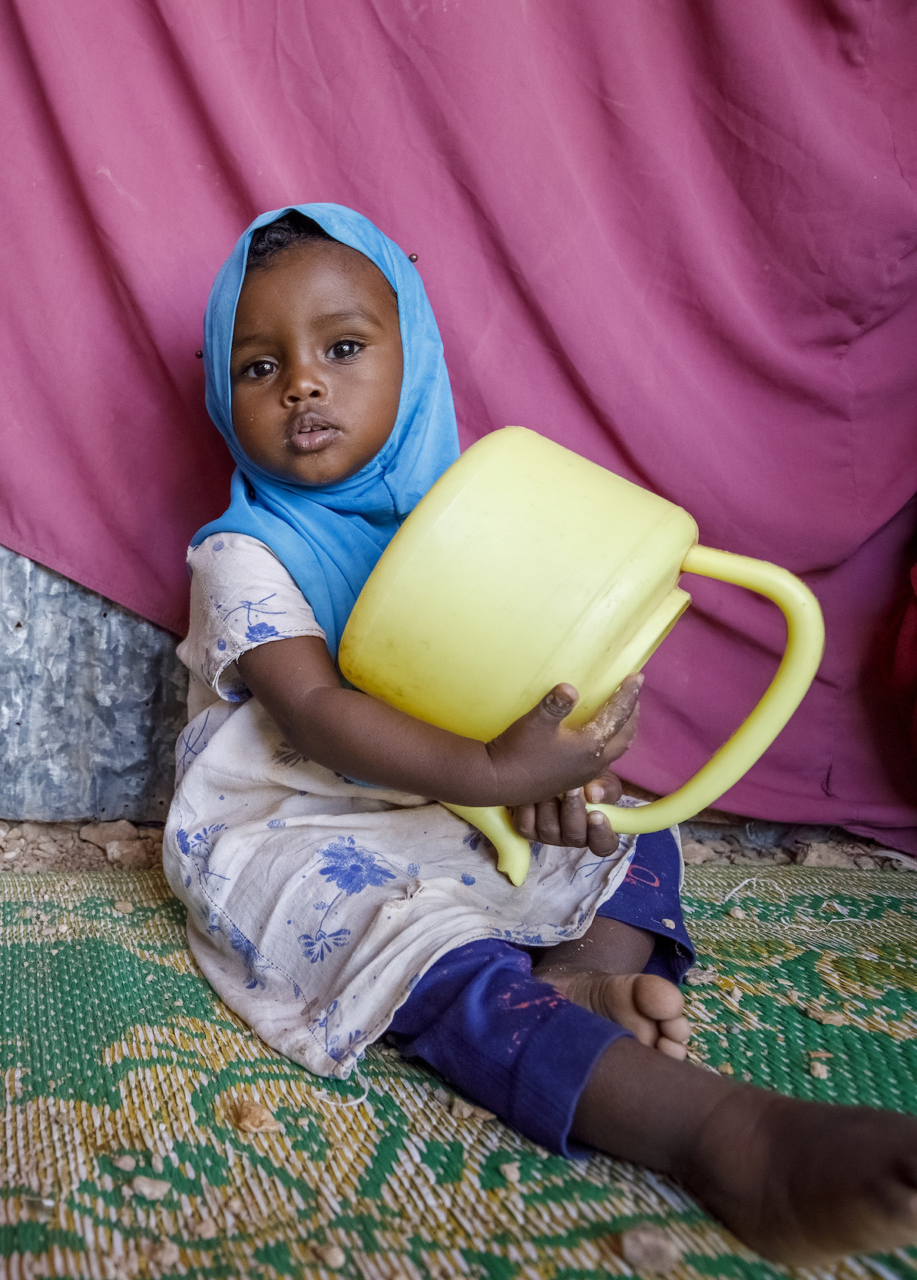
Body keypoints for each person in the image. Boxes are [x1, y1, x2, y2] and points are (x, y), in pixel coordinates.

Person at [168, 203, 917, 1266]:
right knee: (423, 953)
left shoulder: (478, 516)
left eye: (342, 348)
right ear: (222, 395)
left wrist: (566, 755)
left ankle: (583, 974)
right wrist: (489, 768)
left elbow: (554, 675)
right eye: (258, 365)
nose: (302, 382)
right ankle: (721, 1132)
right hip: (302, 818)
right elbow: (320, 713)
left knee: (628, 834)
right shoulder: (246, 551)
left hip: (453, 790)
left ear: (413, 354)